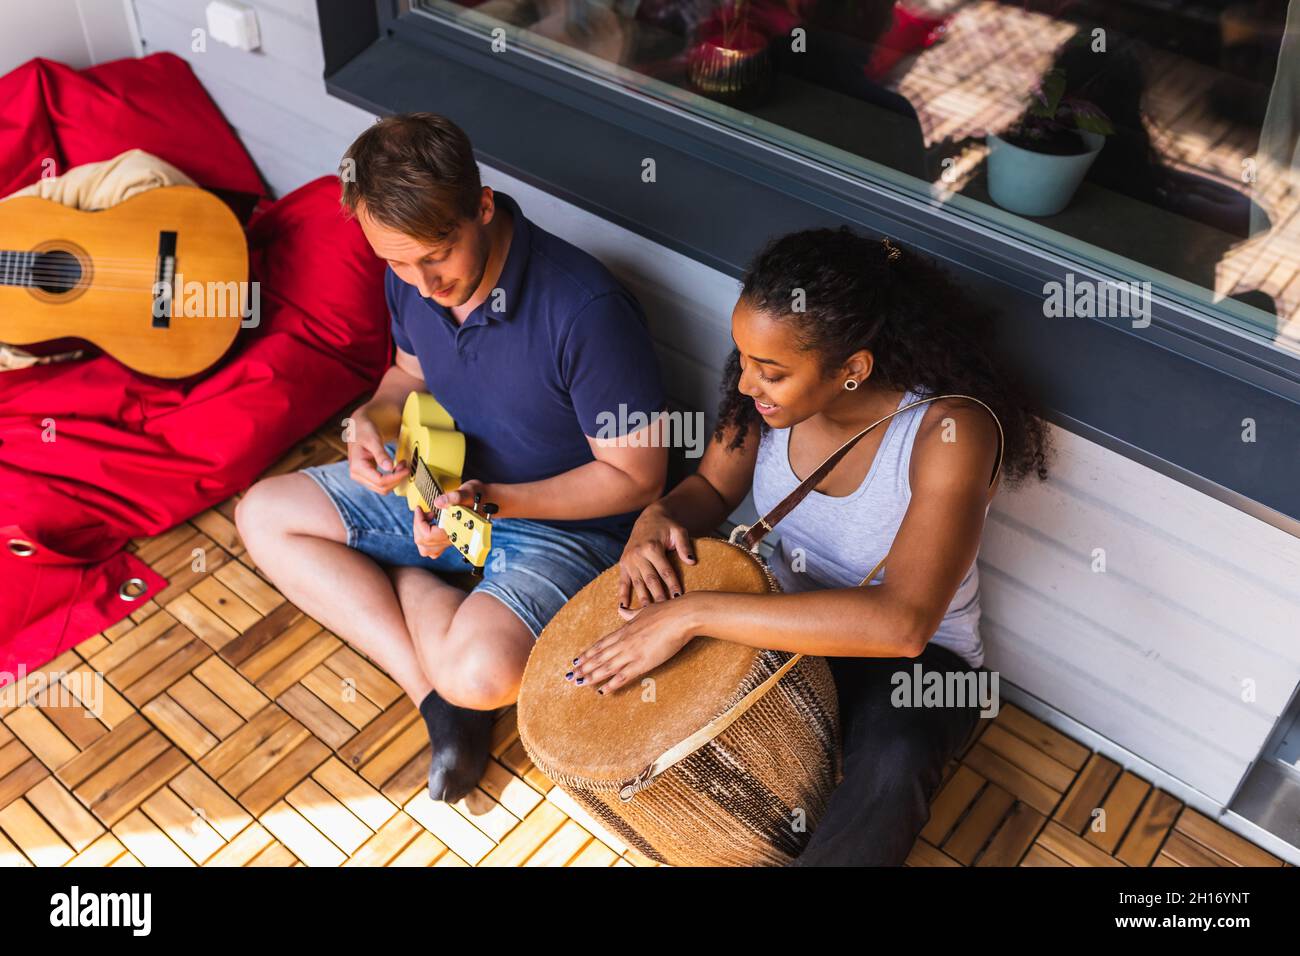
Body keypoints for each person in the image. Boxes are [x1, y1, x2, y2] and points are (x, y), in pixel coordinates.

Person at [566, 227, 1050, 864]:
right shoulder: (765, 399)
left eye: (770, 372)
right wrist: (656, 516)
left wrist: (691, 614)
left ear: (852, 369)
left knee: (892, 762)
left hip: (917, 664)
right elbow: (712, 484)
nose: (744, 384)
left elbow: (902, 624)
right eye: (743, 359)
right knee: (658, 722)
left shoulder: (949, 431)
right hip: (776, 618)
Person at [237, 113, 667, 804]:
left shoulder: (587, 310)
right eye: (396, 262)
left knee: (484, 673)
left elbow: (636, 477)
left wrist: (495, 500)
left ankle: (417, 597)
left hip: (565, 526)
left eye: (435, 257)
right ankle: (433, 699)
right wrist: (368, 423)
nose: (421, 282)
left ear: (483, 207)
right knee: (264, 513)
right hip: (444, 489)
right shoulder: (410, 274)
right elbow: (407, 379)